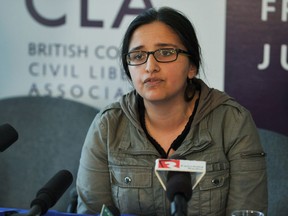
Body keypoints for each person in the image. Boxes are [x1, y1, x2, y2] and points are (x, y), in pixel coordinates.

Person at [76, 7, 268, 216]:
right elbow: (91, 212)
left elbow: (247, 212)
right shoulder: (107, 127)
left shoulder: (232, 122)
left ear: (192, 66)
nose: (150, 66)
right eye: (138, 55)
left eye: (166, 53)